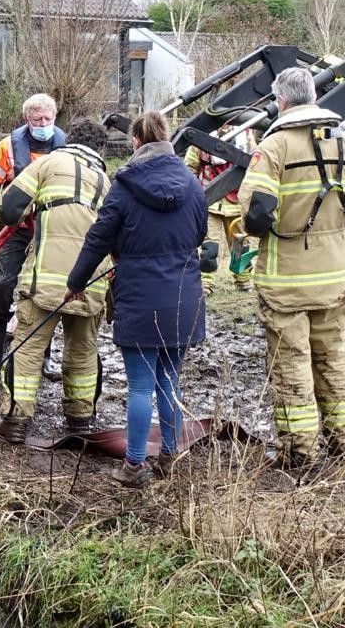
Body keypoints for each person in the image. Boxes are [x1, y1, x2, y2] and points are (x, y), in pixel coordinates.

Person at [237, 66, 345, 472]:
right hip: (333, 276)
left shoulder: (273, 147)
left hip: (287, 280)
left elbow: (257, 214)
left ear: (281, 101)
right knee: (334, 358)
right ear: (312, 96)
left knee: (292, 364)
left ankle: (300, 452)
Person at [67, 111, 207, 488]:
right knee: (170, 381)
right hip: (183, 293)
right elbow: (200, 232)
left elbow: (99, 237)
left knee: (141, 385)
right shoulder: (192, 183)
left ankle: (133, 466)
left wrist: (76, 281)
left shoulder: (125, 186)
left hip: (140, 295)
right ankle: (170, 455)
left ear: (134, 142)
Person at [0, 119, 112, 444]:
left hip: (44, 279)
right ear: (100, 149)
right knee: (83, 350)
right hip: (91, 282)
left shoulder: (46, 163)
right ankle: (81, 418)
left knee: (28, 347)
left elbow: (10, 209)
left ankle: (16, 421)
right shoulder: (106, 181)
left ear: (69, 140)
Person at [0, 93, 66, 381]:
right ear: (26, 119)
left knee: (47, 291)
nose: (43, 124)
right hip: (15, 227)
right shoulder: (9, 147)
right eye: (37, 119)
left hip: (52, 229)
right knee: (1, 286)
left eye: (48, 119)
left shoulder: (66, 148)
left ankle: (45, 355)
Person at [184, 127, 257, 293]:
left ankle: (243, 281)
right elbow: (190, 167)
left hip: (237, 202)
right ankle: (205, 285)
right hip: (210, 202)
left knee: (241, 247)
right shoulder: (202, 138)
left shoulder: (245, 134)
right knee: (209, 249)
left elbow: (255, 164)